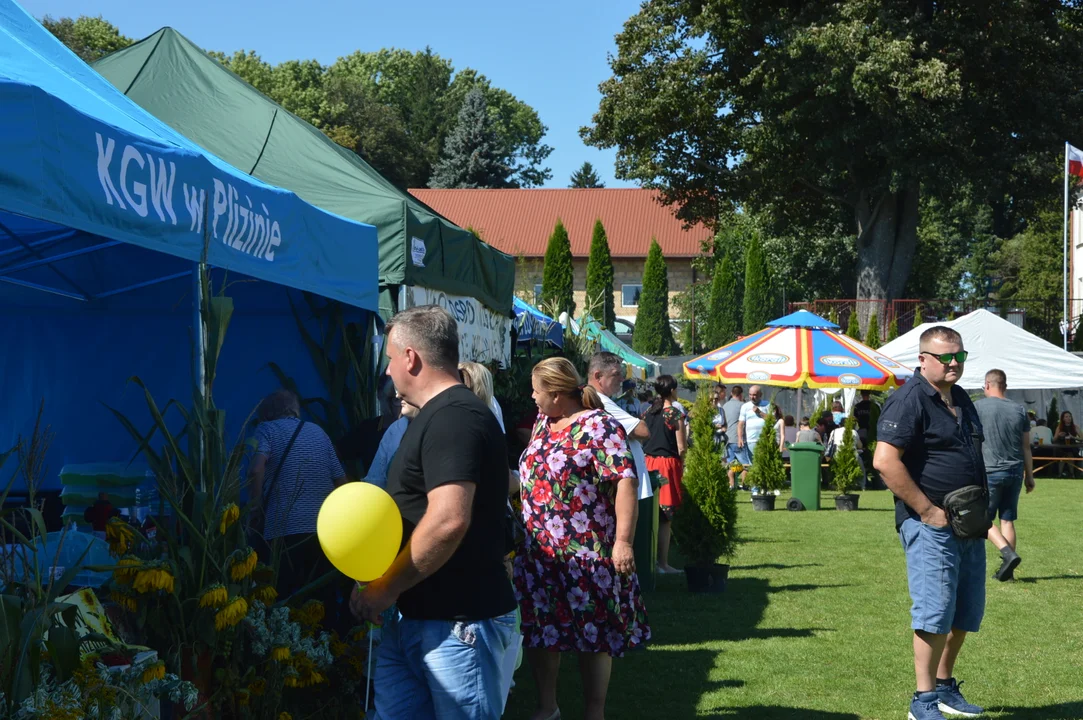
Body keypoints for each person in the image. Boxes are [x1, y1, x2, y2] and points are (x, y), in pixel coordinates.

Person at [350, 305, 517, 720]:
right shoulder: (430, 419)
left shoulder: (454, 418)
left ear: (411, 357)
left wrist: (386, 587)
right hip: (422, 618)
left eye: (389, 358)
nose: (387, 371)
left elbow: (448, 519)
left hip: (458, 624)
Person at [515, 357, 650, 720]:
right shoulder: (544, 422)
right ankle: (547, 708)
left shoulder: (599, 426)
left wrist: (623, 541)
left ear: (558, 394)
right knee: (542, 632)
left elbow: (625, 480)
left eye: (536, 390)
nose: (531, 396)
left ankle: (594, 712)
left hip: (588, 552)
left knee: (595, 634)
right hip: (540, 553)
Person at [873, 326, 987, 720]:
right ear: (923, 359)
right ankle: (922, 701)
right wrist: (927, 512)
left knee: (965, 612)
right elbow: (885, 461)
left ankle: (943, 687)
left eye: (960, 356)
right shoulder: (908, 401)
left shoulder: (962, 400)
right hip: (930, 524)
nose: (955, 363)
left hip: (967, 522)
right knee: (935, 611)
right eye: (946, 357)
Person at [248, 390, 348, 625]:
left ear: (269, 413)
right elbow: (341, 482)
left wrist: (255, 508)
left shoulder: (266, 430)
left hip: (283, 532)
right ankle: (328, 654)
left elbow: (255, 469)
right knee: (322, 603)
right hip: (323, 533)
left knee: (285, 604)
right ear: (295, 410)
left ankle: (289, 658)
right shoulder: (319, 433)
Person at [974, 370, 1032, 581]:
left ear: (987, 385)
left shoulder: (978, 407)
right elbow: (1026, 447)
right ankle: (1009, 574)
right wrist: (1030, 476)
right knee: (1007, 520)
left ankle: (1008, 555)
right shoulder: (1019, 409)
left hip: (990, 471)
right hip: (1015, 471)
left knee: (982, 519)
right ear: (1005, 386)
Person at [587, 352, 654, 502]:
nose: (621, 379)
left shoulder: (598, 399)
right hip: (622, 487)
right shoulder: (600, 400)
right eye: (616, 374)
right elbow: (642, 430)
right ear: (598, 376)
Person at [643, 375, 687, 575]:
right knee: (665, 517)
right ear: (672, 391)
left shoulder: (649, 412)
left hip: (648, 461)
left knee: (648, 512)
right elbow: (681, 447)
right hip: (667, 464)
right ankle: (663, 563)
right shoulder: (674, 413)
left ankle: (649, 559)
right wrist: (682, 466)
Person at [365, 394, 419, 489]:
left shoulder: (442, 423)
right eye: (394, 398)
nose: (399, 396)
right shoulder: (396, 428)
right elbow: (376, 482)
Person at [1053, 410, 1081, 477]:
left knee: (1069, 454)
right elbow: (1054, 439)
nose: (1068, 418)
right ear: (1063, 418)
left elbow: (1082, 438)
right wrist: (1059, 435)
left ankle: (1071, 474)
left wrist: (1073, 437)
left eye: (1069, 416)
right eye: (1066, 417)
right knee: (1063, 455)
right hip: (1061, 447)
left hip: (1072, 447)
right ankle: (1061, 474)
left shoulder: (1075, 427)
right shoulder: (1059, 427)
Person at [721, 386, 745, 464]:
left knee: (729, 465)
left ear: (731, 393)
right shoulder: (743, 406)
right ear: (741, 395)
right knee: (746, 465)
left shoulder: (724, 406)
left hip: (727, 439)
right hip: (738, 439)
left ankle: (730, 477)